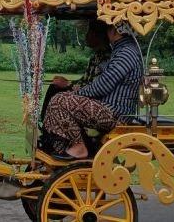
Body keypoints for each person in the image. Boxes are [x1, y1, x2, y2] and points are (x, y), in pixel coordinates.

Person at [42, 21, 144, 159]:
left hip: (115, 114)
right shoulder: (123, 50)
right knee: (60, 98)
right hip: (110, 110)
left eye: (108, 29)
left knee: (60, 101)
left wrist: (74, 94)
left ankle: (79, 147)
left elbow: (102, 86)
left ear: (115, 30)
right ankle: (62, 148)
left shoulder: (126, 53)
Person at [40, 19, 111, 119]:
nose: (86, 36)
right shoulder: (96, 56)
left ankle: (45, 122)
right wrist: (65, 81)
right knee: (55, 86)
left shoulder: (106, 58)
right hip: (86, 94)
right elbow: (84, 81)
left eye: (89, 32)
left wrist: (68, 84)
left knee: (57, 94)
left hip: (95, 101)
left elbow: (94, 88)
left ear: (97, 35)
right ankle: (43, 121)